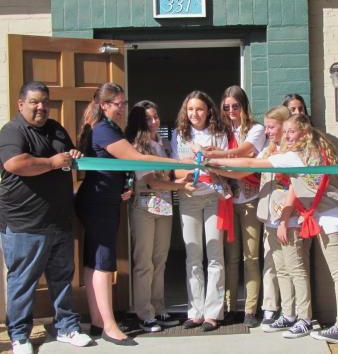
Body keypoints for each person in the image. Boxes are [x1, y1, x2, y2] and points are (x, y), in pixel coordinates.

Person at [209, 113, 338, 340]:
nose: (287, 137)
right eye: (285, 133)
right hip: (325, 212)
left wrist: (216, 160)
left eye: (291, 132)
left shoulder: (295, 156)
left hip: (332, 213)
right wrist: (218, 167)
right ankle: (312, 319)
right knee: (318, 271)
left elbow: (249, 163)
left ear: (304, 132)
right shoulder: (308, 150)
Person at [76, 83, 183, 346]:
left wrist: (125, 185)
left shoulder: (110, 129)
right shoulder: (102, 129)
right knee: (102, 263)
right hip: (98, 203)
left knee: (94, 262)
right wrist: (181, 163)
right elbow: (136, 158)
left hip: (105, 199)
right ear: (104, 105)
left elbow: (120, 166)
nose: (122, 108)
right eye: (118, 104)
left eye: (124, 103)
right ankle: (109, 326)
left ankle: (99, 320)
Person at [0, 81, 92, 354]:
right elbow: (15, 164)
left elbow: (70, 156)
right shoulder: (12, 131)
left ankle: (66, 327)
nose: (41, 107)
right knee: (22, 282)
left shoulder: (56, 129)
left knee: (62, 279)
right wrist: (53, 162)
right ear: (21, 104)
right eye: (34, 102)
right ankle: (19, 336)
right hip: (24, 224)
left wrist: (73, 154)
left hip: (59, 221)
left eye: (44, 102)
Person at [124, 100, 196, 332]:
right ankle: (144, 313)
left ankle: (159, 307)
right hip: (144, 208)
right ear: (139, 122)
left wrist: (182, 179)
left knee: (160, 261)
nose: (154, 122)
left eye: (156, 117)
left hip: (164, 207)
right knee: (144, 262)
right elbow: (150, 181)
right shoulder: (136, 147)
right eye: (149, 118)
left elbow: (169, 175)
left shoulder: (163, 143)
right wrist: (179, 186)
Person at [201, 86, 266, 327]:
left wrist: (218, 154)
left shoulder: (257, 129)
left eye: (235, 106)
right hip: (227, 200)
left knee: (251, 257)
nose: (230, 111)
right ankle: (229, 307)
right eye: (226, 107)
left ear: (244, 106)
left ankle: (250, 309)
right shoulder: (221, 130)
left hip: (250, 200)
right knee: (230, 258)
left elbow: (244, 153)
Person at [170, 90, 230, 332]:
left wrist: (209, 162)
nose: (195, 114)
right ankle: (195, 312)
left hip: (214, 198)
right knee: (193, 256)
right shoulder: (178, 135)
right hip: (189, 199)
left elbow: (226, 167)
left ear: (209, 111)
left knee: (215, 254)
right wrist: (189, 171)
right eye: (191, 109)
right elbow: (173, 170)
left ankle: (213, 313)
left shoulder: (219, 134)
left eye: (200, 109)